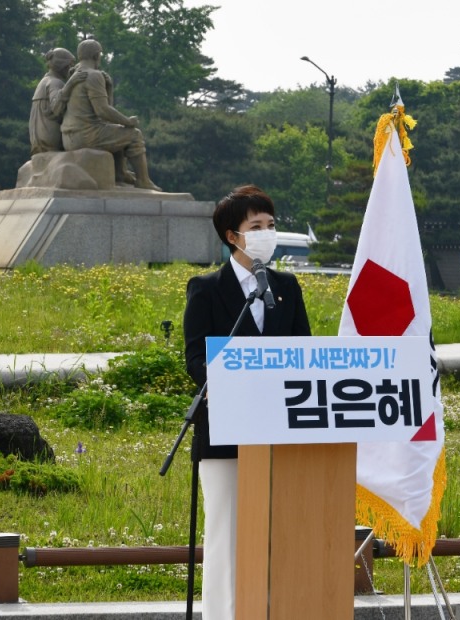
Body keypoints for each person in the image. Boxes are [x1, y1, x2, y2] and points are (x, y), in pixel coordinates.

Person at [183, 185, 311, 619]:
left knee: (279, 533)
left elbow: (303, 355)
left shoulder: (287, 287)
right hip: (224, 434)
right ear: (232, 236)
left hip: (280, 432)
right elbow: (196, 359)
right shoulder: (206, 288)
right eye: (256, 226)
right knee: (227, 532)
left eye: (271, 225)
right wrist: (239, 380)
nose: (266, 234)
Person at [60, 39, 160, 190]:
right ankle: (143, 180)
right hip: (86, 135)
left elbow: (102, 112)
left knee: (116, 131)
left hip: (68, 137)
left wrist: (109, 89)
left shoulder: (74, 74)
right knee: (134, 135)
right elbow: (103, 111)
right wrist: (128, 121)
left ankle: (120, 174)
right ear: (96, 56)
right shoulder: (93, 75)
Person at [29, 48, 87, 155]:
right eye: (69, 65)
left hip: (38, 142)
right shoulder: (55, 83)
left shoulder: (44, 81)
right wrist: (71, 83)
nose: (70, 69)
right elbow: (56, 108)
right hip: (50, 141)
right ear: (63, 66)